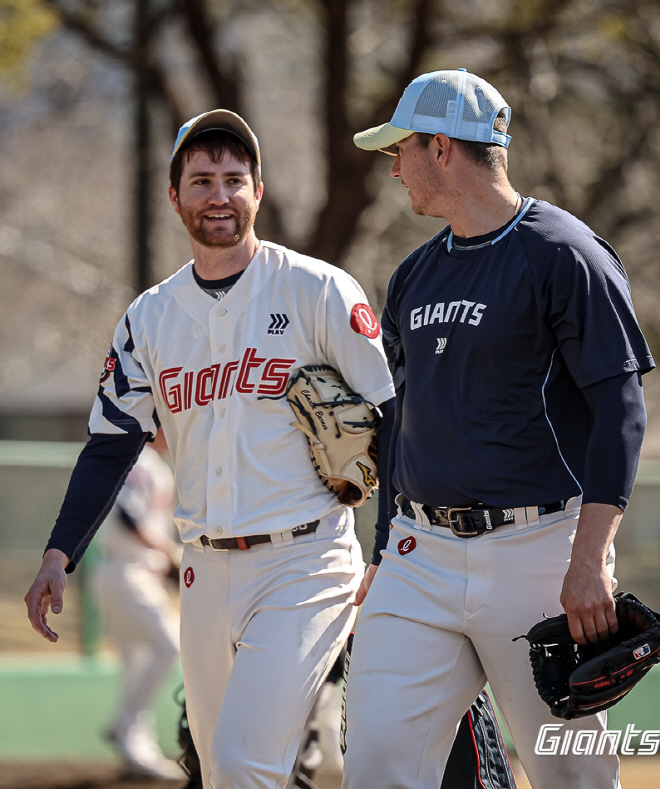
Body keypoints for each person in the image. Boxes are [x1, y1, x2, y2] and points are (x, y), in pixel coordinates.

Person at [24, 109, 395, 789]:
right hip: (202, 569)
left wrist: (391, 543)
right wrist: (59, 553)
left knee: (245, 762)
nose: (218, 195)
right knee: (221, 772)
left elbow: (391, 416)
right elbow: (111, 446)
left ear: (258, 190)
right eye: (201, 181)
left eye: (233, 179)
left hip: (305, 559)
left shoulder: (316, 288)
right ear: (175, 197)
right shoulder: (150, 317)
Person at [343, 69, 653, 789]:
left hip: (538, 552)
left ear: (441, 147)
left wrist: (589, 559)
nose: (394, 169)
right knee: (378, 764)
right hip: (419, 555)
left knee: (572, 775)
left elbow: (621, 411)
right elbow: (401, 423)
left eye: (400, 149)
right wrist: (384, 549)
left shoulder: (565, 253)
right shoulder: (415, 275)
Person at [92, 430, 183, 780]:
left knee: (137, 663)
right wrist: (169, 552)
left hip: (133, 571)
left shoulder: (154, 463)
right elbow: (126, 516)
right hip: (128, 571)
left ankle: (137, 747)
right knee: (169, 645)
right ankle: (125, 724)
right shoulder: (138, 460)